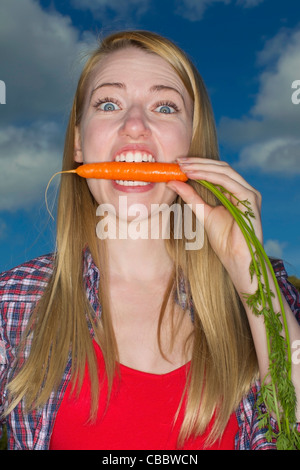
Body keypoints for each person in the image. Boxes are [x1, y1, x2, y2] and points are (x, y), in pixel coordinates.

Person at [0, 30, 299, 451]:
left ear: (193, 143)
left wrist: (249, 269)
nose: (135, 126)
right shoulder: (12, 301)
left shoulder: (266, 288)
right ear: (79, 142)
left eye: (164, 106)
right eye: (108, 104)